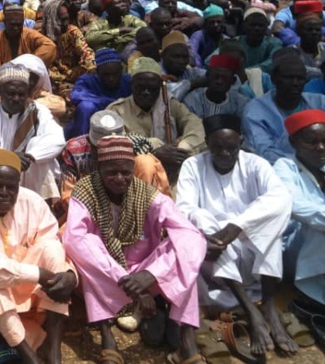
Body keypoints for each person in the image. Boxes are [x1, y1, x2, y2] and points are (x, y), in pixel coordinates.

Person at [64, 137, 206, 364]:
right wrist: (127, 281)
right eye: (111, 172)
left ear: (133, 170)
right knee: (87, 246)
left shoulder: (147, 194)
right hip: (107, 274)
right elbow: (75, 239)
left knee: (184, 247)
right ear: (99, 168)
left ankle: (187, 345)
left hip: (146, 272)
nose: (119, 179)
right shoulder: (85, 191)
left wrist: (149, 275)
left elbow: (191, 235)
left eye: (126, 173)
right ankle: (108, 342)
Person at [176, 114, 296, 356]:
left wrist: (238, 226)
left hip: (253, 255)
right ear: (207, 143)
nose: (224, 154)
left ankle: (269, 306)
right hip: (214, 256)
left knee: (272, 223)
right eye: (217, 147)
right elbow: (184, 208)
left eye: (231, 147)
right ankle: (251, 310)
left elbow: (280, 198)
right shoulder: (193, 165)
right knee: (201, 217)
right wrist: (214, 235)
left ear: (240, 142)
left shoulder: (256, 164)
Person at [0, 150, 76, 364]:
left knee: (52, 249)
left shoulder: (32, 202)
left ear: (19, 184)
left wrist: (69, 275)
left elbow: (53, 242)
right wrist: (37, 274)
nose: (4, 193)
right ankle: (28, 354)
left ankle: (53, 351)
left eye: (11, 187)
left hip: (25, 299)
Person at [0, 63, 66, 201]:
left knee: (36, 145)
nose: (16, 99)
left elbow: (57, 139)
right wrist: (5, 156)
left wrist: (29, 156)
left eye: (21, 94)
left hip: (29, 180)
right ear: (0, 92)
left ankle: (36, 204)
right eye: (11, 93)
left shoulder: (38, 111)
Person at [106, 57, 205, 182]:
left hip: (171, 173)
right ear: (132, 85)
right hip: (133, 179)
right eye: (141, 87)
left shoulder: (168, 105)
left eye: (152, 88)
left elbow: (196, 126)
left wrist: (182, 149)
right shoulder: (116, 110)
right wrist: (154, 152)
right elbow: (112, 144)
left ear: (160, 88)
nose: (146, 92)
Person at [59, 110, 169, 222]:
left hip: (134, 217)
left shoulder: (136, 152)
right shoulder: (73, 151)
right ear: (90, 144)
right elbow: (69, 198)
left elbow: (159, 199)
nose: (108, 156)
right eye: (101, 150)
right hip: (88, 216)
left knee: (146, 163)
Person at [274, 110, 325, 309]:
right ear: (294, 142)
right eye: (312, 142)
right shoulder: (284, 167)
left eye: (324, 141)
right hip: (296, 246)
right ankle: (314, 294)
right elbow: (295, 206)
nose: (320, 148)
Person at [242, 50, 325, 163]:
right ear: (274, 79)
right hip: (277, 171)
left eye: (300, 78)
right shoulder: (255, 111)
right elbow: (263, 151)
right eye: (289, 78)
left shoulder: (320, 102)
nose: (295, 83)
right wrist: (304, 164)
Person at [0, 6, 56, 102]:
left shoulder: (30, 34)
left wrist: (29, 62)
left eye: (19, 24)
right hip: (9, 79)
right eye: (12, 25)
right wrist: (13, 74)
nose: (16, 28)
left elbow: (50, 46)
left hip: (30, 79)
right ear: (5, 23)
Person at [65, 48, 131, 140]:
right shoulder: (87, 80)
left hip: (123, 124)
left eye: (115, 74)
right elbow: (75, 95)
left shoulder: (128, 81)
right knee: (86, 107)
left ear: (121, 70)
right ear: (97, 72)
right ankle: (81, 144)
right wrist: (108, 102)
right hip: (91, 125)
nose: (111, 79)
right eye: (106, 75)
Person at [40, 0, 95, 98]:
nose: (65, 23)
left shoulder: (72, 32)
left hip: (74, 76)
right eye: (61, 20)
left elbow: (85, 51)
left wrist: (92, 68)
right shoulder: (40, 38)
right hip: (53, 80)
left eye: (67, 18)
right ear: (51, 19)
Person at [183, 54, 250, 120]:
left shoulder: (240, 103)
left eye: (224, 78)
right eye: (216, 77)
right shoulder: (192, 100)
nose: (219, 81)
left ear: (233, 81)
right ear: (207, 76)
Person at [160, 31, 206, 101]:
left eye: (185, 57)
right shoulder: (156, 73)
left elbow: (210, 75)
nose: (181, 61)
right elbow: (168, 96)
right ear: (163, 56)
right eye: (176, 57)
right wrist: (192, 84)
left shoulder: (189, 72)